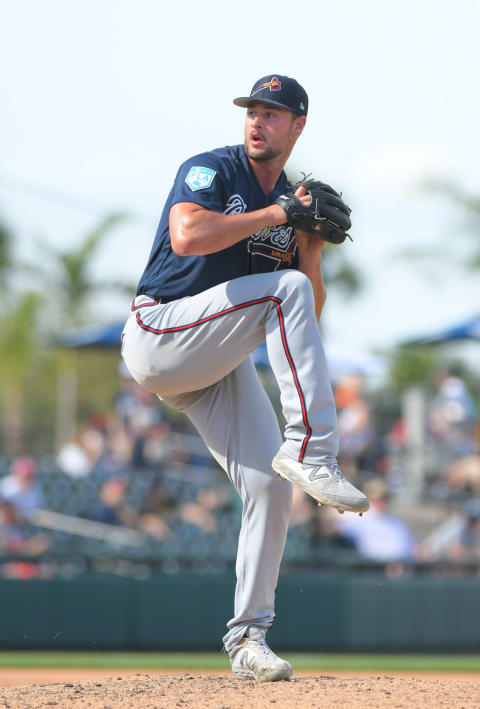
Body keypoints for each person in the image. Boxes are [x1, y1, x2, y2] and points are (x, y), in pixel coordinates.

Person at [121, 74, 368, 682]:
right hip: (161, 334)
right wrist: (282, 213)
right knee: (279, 293)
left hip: (213, 364)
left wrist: (309, 247)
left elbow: (305, 304)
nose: (258, 120)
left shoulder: (290, 206)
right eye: (253, 110)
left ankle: (249, 640)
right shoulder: (213, 169)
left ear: (297, 126)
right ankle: (313, 448)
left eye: (273, 112)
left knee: (268, 487)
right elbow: (188, 235)